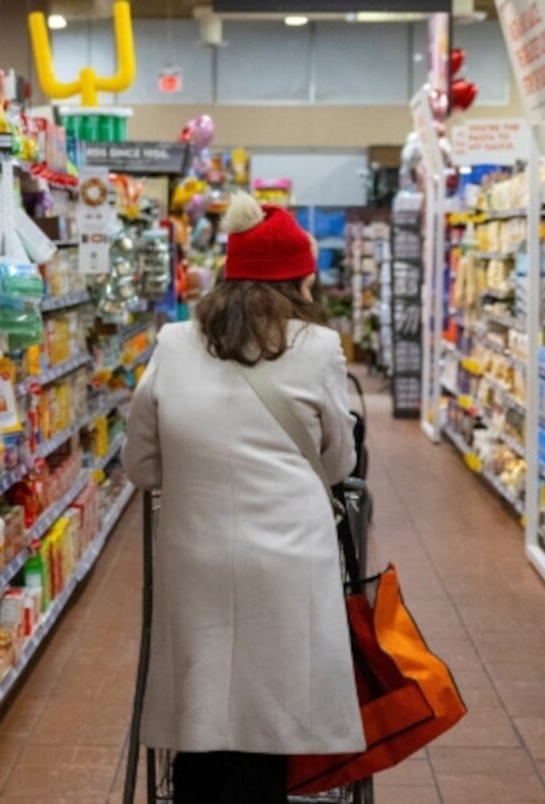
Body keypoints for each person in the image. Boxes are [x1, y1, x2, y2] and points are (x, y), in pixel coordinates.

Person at [122, 192, 363, 804]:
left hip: (196, 552)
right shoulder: (319, 349)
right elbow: (339, 461)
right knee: (269, 713)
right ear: (299, 281)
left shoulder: (174, 343)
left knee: (202, 709)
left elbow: (141, 465)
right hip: (289, 561)